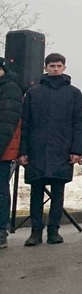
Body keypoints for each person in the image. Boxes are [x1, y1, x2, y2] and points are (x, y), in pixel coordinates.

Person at [18, 53, 82, 247]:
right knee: (36, 192)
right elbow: (26, 124)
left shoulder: (74, 93)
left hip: (62, 150)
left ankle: (54, 231)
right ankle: (35, 232)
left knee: (58, 193)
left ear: (64, 67)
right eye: (51, 66)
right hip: (36, 149)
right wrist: (23, 151)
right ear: (45, 67)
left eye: (58, 66)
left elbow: (80, 123)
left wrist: (76, 150)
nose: (55, 69)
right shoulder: (33, 92)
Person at [0, 57, 23, 249]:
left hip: (3, 149)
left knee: (0, 190)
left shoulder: (9, 88)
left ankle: (1, 230)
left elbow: (7, 123)